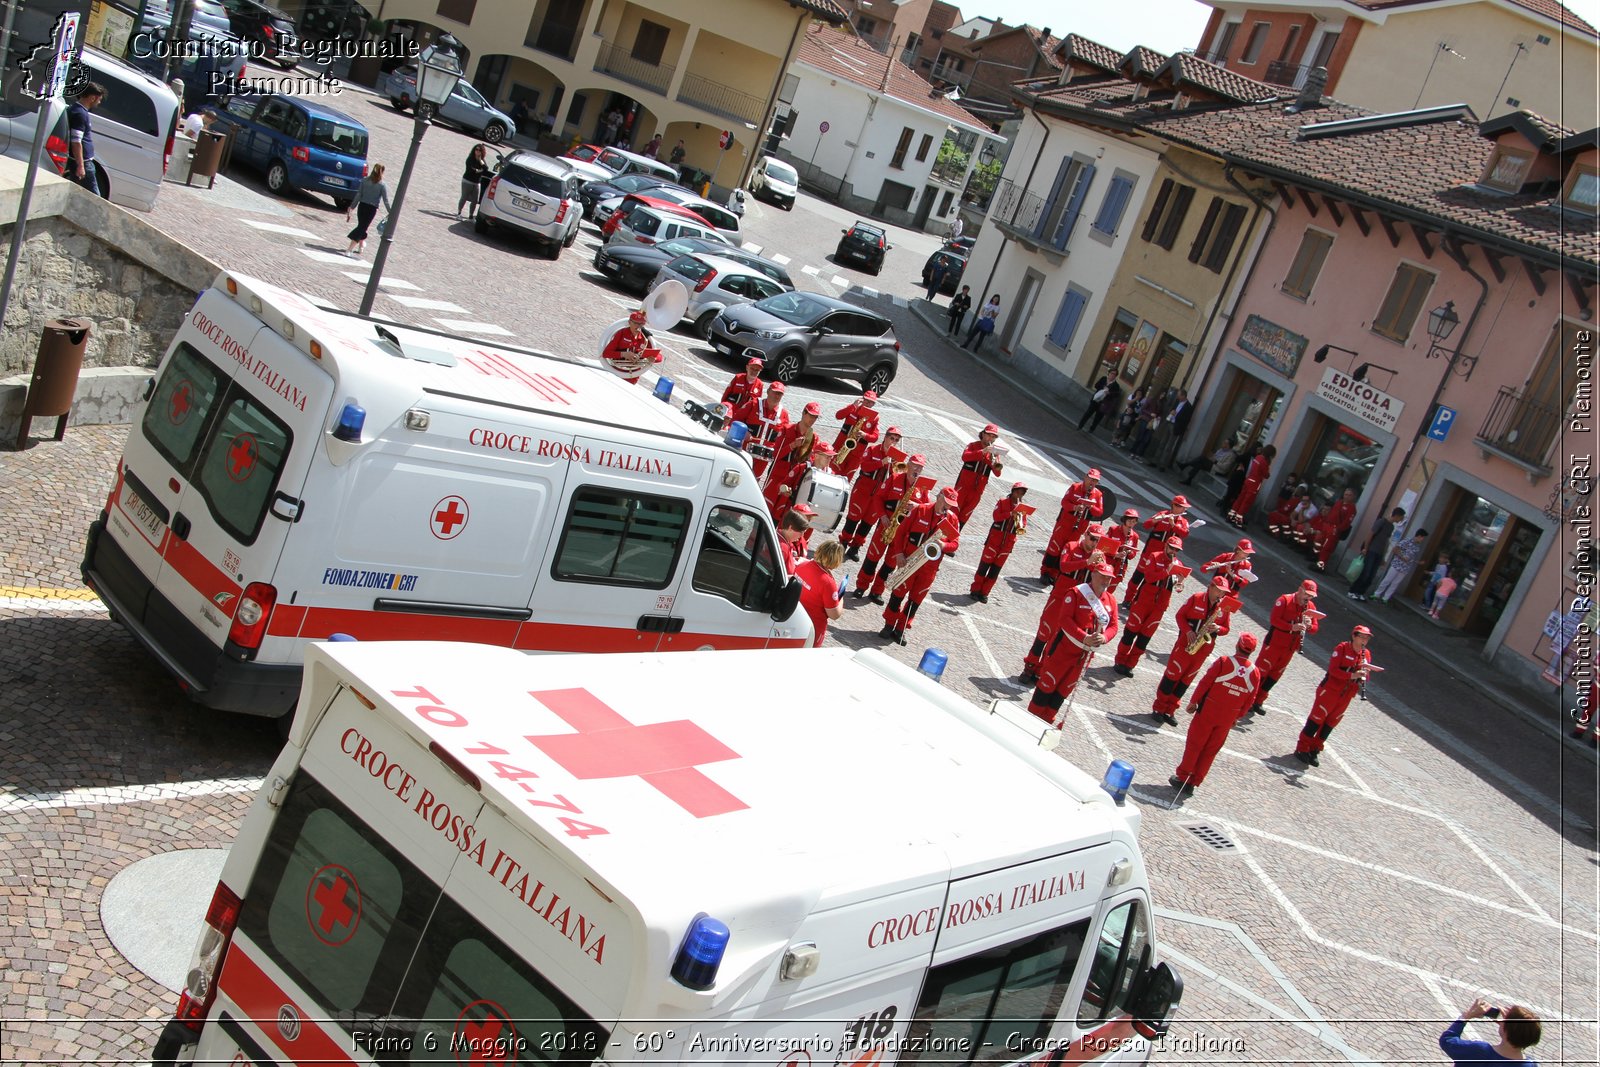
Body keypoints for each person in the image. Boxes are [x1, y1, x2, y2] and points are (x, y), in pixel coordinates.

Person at [1025, 563, 1119, 725]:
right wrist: (1084, 637)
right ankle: (1030, 721)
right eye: (1103, 576)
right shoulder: (1076, 593)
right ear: (1093, 574)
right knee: (1046, 687)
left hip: (1084, 656)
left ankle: (1047, 722)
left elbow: (1114, 626)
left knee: (1062, 692)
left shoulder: (1110, 600)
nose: (1106, 581)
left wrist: (1104, 638)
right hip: (1062, 651)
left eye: (1109, 578)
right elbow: (1065, 620)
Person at [1170, 633, 1261, 796]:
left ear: (1237, 645)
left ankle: (1183, 777)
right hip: (1227, 718)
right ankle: (1194, 781)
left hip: (1208, 711)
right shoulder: (1255, 673)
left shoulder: (1223, 662)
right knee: (1210, 750)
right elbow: (1250, 699)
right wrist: (1238, 717)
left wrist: (1194, 701)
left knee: (1195, 744)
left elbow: (1205, 683)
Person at [1151, 577, 1236, 726]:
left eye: (1223, 592)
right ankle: (1159, 708)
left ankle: (1170, 710)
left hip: (1202, 650)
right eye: (1219, 591)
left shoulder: (1223, 608)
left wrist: (1218, 629)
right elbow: (1180, 616)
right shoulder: (1196, 598)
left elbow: (1226, 629)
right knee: (1172, 676)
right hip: (1185, 645)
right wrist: (1187, 631)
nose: (1221, 595)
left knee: (1185, 680)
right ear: (1211, 587)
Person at [881, 487, 961, 645]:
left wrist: (943, 545)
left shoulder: (952, 520)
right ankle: (889, 625)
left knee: (915, 600)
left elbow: (955, 544)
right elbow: (901, 531)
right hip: (910, 559)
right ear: (938, 497)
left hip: (929, 567)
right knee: (897, 595)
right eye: (946, 502)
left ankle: (901, 629)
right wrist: (899, 554)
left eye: (951, 504)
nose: (948, 506)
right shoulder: (920, 510)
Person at [1293, 624, 1375, 766]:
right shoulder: (1342, 648)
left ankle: (1315, 749)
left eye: (1367, 638)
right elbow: (1333, 670)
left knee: (1330, 722)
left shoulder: (1366, 654)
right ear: (1354, 636)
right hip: (1330, 690)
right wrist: (1352, 674)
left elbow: (1365, 676)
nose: (1364, 640)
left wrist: (1364, 677)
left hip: (1346, 694)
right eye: (1362, 637)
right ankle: (1302, 748)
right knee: (1316, 719)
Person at [853, 457, 930, 603]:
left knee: (889, 564)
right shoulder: (894, 478)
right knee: (872, 558)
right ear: (908, 466)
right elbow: (878, 498)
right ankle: (861, 586)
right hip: (886, 525)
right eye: (914, 466)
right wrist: (882, 516)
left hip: (903, 533)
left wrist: (917, 506)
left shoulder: (922, 488)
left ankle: (877, 591)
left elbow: (927, 508)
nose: (917, 470)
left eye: (920, 468)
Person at [1112, 536, 1186, 675]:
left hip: (1159, 606)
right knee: (1130, 633)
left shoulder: (1178, 564)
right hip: (1144, 602)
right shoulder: (1154, 556)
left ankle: (1130, 665)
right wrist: (1166, 571)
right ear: (1166, 546)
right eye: (1171, 548)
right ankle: (1120, 660)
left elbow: (1176, 586)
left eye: (1176, 550)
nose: (1173, 552)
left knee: (1144, 638)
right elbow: (1149, 577)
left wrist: (1180, 583)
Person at [1248, 579, 1321, 716]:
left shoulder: (1310, 607)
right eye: (1307, 594)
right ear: (1300, 590)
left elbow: (1315, 628)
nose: (1308, 598)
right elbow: (1274, 620)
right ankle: (1248, 700)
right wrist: (1291, 627)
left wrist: (1310, 625)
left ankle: (1259, 701)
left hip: (1289, 648)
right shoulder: (1284, 600)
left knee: (1274, 675)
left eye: (1311, 596)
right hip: (1275, 644)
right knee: (1261, 672)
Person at [1041, 469, 1104, 585]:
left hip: (1079, 528)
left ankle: (1056, 574)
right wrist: (1075, 507)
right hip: (1064, 524)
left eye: (1095, 481)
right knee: (1054, 548)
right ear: (1086, 477)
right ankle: (1045, 572)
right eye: (1091, 479)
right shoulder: (1075, 487)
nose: (1092, 482)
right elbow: (1064, 502)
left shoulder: (1098, 494)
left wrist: (1090, 506)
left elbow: (1099, 512)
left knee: (1068, 550)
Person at [970, 482, 1029, 602]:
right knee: (983, 567)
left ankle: (984, 592)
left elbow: (1021, 529)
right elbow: (996, 517)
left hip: (1007, 544)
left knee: (994, 571)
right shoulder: (1002, 502)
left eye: (1022, 492)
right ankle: (975, 590)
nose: (1019, 494)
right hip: (994, 541)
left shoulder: (1022, 508)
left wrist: (1019, 521)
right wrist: (1009, 514)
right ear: (1013, 491)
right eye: (1018, 491)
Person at [1439, 998, 1541, 1065]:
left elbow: (1447, 1040)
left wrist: (1466, 1016)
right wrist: (1507, 1027)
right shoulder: (1531, 1064)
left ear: (1507, 1031)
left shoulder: (1480, 1052)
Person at [763, 401, 823, 512]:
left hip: (793, 482)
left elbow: (811, 464)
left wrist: (811, 458)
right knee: (765, 508)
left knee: (781, 514)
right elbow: (775, 455)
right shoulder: (786, 429)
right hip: (777, 476)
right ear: (803, 413)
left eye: (815, 417)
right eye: (811, 415)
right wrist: (792, 445)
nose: (813, 420)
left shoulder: (814, 438)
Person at [1348, 507, 1407, 600]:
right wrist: (1365, 548)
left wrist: (1383, 557)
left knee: (1371, 574)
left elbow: (1386, 542)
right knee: (1365, 572)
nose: (1401, 520)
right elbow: (1370, 534)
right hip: (1371, 550)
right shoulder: (1381, 522)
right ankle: (1353, 591)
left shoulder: (1391, 527)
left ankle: (1361, 592)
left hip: (1379, 553)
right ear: (1396, 516)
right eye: (1401, 517)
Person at [795, 539, 846, 646]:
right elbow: (834, 614)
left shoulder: (802, 563)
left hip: (794, 619)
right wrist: (841, 599)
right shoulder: (828, 583)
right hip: (812, 628)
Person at [953, 424, 1004, 528]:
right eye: (989, 435)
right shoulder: (973, 445)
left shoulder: (994, 453)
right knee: (953, 511)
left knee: (964, 516)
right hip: (963, 487)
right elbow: (965, 457)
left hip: (977, 491)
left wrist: (993, 463)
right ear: (983, 434)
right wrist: (982, 452)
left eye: (993, 437)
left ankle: (953, 538)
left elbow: (998, 474)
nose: (991, 438)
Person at [735, 381, 789, 477]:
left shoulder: (784, 414)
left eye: (780, 394)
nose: (777, 396)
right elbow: (735, 420)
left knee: (753, 480)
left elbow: (785, 437)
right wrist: (743, 432)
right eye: (775, 392)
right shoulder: (753, 404)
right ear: (768, 391)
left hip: (764, 458)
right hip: (744, 451)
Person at [600, 309, 664, 385]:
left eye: (641, 324)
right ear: (629, 322)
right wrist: (623, 354)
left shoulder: (645, 339)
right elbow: (606, 353)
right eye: (636, 323)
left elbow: (659, 357)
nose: (638, 326)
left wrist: (653, 358)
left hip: (632, 376)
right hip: (616, 371)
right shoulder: (621, 333)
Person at [66, 82, 108, 196]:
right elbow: (76, 142)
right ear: (92, 98)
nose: (99, 103)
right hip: (83, 162)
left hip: (83, 161)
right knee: (96, 197)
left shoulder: (77, 110)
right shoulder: (80, 114)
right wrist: (81, 166)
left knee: (75, 193)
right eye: (99, 99)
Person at [831, 390, 880, 477]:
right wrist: (853, 406)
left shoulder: (875, 418)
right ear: (862, 399)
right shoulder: (853, 408)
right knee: (832, 472)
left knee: (847, 477)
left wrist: (865, 435)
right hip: (841, 447)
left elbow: (875, 437)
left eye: (871, 402)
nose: (868, 404)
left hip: (856, 455)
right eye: (867, 401)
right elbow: (838, 416)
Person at [1373, 528, 1429, 603]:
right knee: (1387, 580)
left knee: (1395, 583)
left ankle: (1385, 598)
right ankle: (1377, 594)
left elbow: (1411, 558)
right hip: (1397, 564)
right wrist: (1402, 557)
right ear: (1419, 536)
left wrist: (1418, 562)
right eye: (1422, 538)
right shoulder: (1407, 541)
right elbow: (1395, 549)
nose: (1422, 540)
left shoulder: (1417, 547)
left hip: (1405, 568)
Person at [345, 163, 390, 256]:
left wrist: (352, 206)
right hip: (371, 209)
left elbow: (358, 195)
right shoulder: (382, 185)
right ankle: (349, 250)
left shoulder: (364, 181)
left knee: (362, 226)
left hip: (362, 207)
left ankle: (361, 246)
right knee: (362, 228)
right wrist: (391, 212)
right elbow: (386, 200)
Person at [1310, 487, 1359, 570]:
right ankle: (1316, 560)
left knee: (1327, 548)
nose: (1346, 496)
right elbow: (1331, 513)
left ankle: (1320, 566)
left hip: (1334, 529)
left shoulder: (1352, 508)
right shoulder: (1339, 502)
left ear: (1353, 497)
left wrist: (1338, 529)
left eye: (1349, 495)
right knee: (1319, 543)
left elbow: (1347, 522)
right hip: (1327, 526)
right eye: (1345, 494)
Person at [1228, 443, 1276, 526]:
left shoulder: (1258, 457)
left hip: (1248, 480)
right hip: (1255, 483)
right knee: (1246, 502)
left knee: (1240, 498)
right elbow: (1266, 475)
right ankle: (1238, 520)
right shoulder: (1264, 462)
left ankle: (1231, 516)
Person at [1157, 389, 1193, 470]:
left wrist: (1176, 415)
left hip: (1176, 427)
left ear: (1183, 396)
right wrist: (1171, 412)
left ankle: (1162, 465)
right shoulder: (1177, 402)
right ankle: (1156, 460)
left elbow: (1186, 419)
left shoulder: (1188, 407)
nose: (1178, 397)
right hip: (1170, 422)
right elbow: (1171, 408)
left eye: (1179, 395)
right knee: (1162, 442)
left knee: (1168, 447)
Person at [458, 143, 490, 220]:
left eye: (479, 150)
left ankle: (471, 216)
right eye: (476, 149)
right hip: (467, 181)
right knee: (464, 197)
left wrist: (480, 161)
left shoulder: (482, 161)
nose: (477, 151)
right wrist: (480, 170)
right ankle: (459, 213)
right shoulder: (470, 159)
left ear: (482, 152)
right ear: (474, 150)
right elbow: (471, 170)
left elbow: (486, 169)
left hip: (477, 183)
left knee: (475, 200)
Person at [776, 508, 812, 574]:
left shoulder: (782, 538)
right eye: (801, 532)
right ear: (790, 528)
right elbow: (776, 575)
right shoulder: (782, 548)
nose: (802, 536)